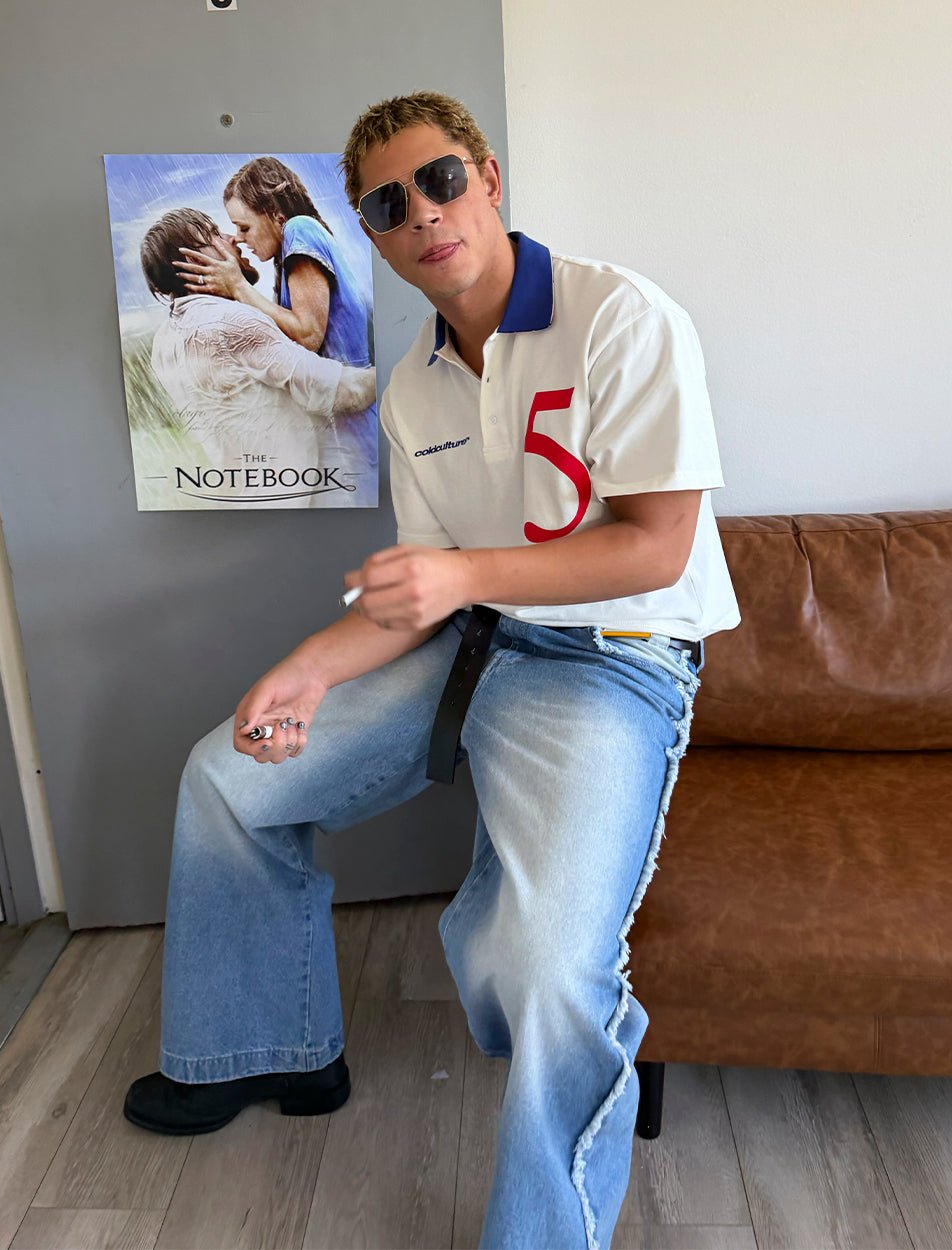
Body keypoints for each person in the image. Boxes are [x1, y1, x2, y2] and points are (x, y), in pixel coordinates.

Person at [125, 92, 740, 1250]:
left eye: (441, 180)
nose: (421, 214)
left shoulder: (618, 316)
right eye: (385, 204)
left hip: (613, 660)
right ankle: (267, 1048)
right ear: (366, 228)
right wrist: (306, 669)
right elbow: (422, 593)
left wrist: (463, 578)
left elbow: (656, 546)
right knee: (227, 776)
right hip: (473, 640)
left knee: (547, 965)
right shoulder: (411, 385)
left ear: (487, 178)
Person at [141, 208, 375, 507]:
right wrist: (391, 371)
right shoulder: (232, 321)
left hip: (244, 506)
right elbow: (343, 392)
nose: (232, 238)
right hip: (294, 505)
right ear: (194, 261)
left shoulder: (163, 342)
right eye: (214, 234)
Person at [174, 157, 376, 476]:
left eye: (244, 227)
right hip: (340, 419)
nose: (239, 238)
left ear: (275, 214)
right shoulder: (287, 255)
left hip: (352, 423)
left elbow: (308, 335)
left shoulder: (299, 229)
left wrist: (239, 287)